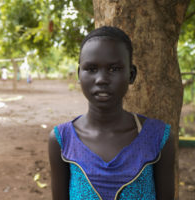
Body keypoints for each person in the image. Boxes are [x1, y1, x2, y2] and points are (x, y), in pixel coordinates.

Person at [48, 26, 175, 200]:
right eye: (91, 69)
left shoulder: (158, 137)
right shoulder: (62, 140)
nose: (101, 79)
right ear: (79, 75)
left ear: (131, 75)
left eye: (114, 69)